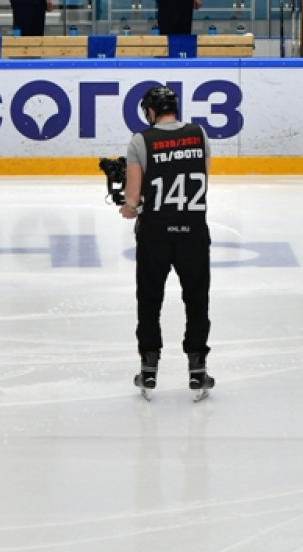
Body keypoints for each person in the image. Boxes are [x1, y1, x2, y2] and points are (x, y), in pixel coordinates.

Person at [119, 85, 214, 400]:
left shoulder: (140, 141)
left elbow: (133, 198)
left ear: (150, 110)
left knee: (150, 301)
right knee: (197, 300)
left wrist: (128, 207)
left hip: (155, 233)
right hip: (194, 232)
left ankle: (148, 367)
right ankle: (197, 369)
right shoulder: (199, 135)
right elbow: (201, 175)